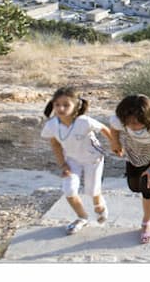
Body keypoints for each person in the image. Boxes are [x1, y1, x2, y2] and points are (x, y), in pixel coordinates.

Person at [41, 87, 113, 235]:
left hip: (93, 159)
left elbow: (105, 129)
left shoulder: (84, 121)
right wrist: (63, 164)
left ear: (75, 106)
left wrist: (115, 144)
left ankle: (99, 203)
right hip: (72, 160)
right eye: (57, 104)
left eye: (66, 105)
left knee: (92, 191)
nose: (61, 108)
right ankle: (82, 217)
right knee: (69, 190)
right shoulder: (52, 125)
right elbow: (55, 144)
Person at [109, 95, 150, 244]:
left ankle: (148, 223)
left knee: (147, 184)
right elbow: (114, 129)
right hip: (135, 149)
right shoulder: (119, 118)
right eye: (129, 122)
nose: (133, 125)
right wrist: (116, 144)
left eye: (138, 122)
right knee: (134, 187)